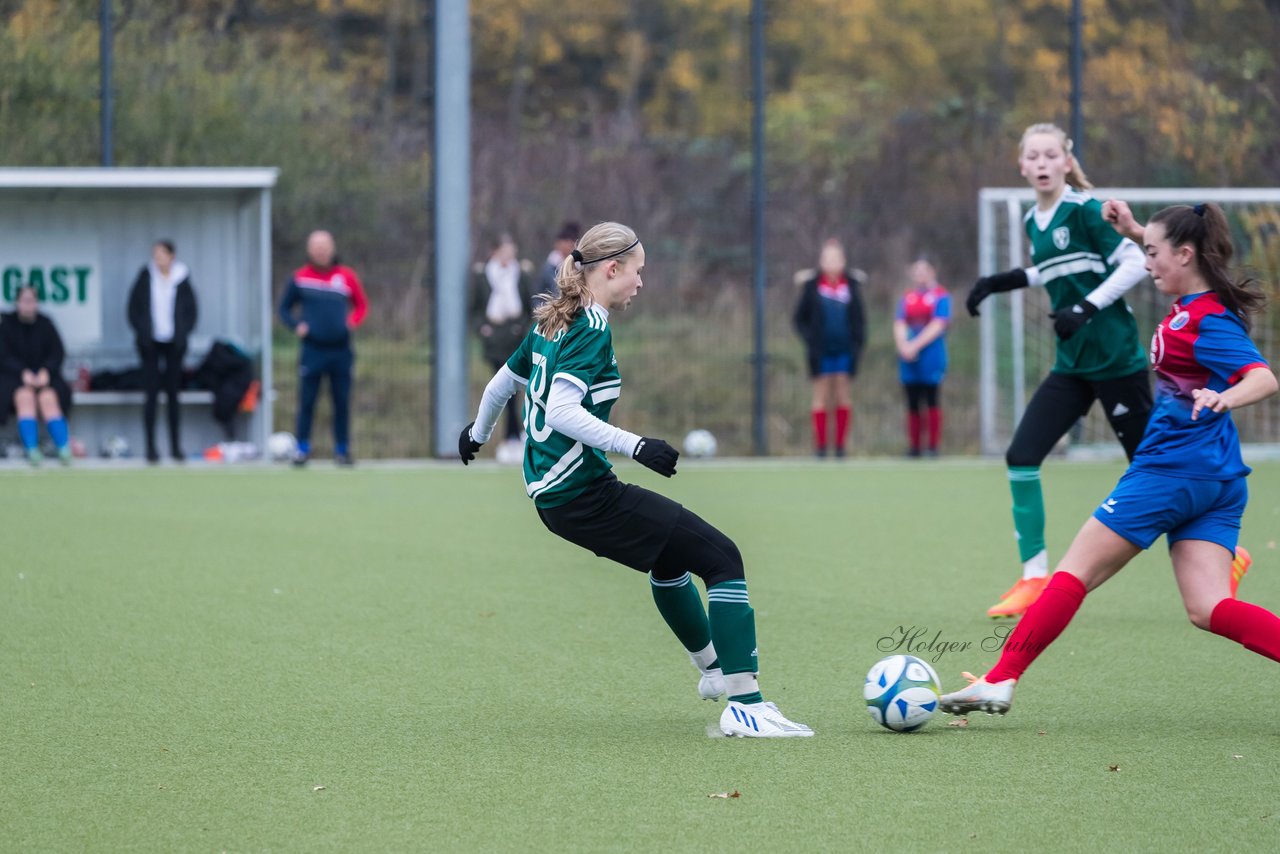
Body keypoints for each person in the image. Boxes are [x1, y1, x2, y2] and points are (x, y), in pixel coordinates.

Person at [457, 221, 812, 738]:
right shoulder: (590, 327)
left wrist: (477, 432)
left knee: (670, 560)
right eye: (638, 272)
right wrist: (636, 445)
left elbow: (500, 384)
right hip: (584, 495)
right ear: (611, 269)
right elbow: (559, 409)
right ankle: (747, 706)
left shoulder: (555, 320)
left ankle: (714, 670)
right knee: (723, 558)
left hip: (558, 501)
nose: (642, 282)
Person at [941, 201, 1278, 717]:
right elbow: (1172, 255)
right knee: (1208, 609)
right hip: (1218, 478)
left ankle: (1000, 678)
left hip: (1169, 473)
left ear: (1185, 255)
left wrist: (1224, 398)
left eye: (1153, 253)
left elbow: (1263, 377)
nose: (1146, 263)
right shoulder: (1198, 300)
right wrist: (1136, 230)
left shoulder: (1207, 320)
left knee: (1072, 575)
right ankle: (1000, 679)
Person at [966, 123, 1158, 618]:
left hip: (1117, 362)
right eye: (1035, 156)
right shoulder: (1035, 219)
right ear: (1023, 165)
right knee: (1021, 455)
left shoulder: (1087, 210)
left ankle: (1229, 554)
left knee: (1154, 472)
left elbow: (1136, 261)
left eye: (1053, 154)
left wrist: (1087, 308)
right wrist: (1000, 280)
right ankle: (1033, 578)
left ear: (1067, 161)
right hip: (1072, 367)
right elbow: (1051, 270)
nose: (1044, 162)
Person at [278, 230, 368, 466]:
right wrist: (297, 326)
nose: (321, 250)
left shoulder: (346, 276)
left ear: (332, 248)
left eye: (324, 245)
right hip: (312, 350)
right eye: (316, 246)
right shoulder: (300, 277)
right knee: (307, 402)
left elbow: (361, 305)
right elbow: (284, 309)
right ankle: (302, 449)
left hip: (341, 350)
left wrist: (352, 323)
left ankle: (342, 450)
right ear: (309, 250)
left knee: (341, 402)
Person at [793, 239, 866, 458]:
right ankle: (822, 447)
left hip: (845, 350)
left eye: (836, 258)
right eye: (827, 258)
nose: (832, 262)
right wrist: (811, 341)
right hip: (820, 351)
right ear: (820, 262)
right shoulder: (812, 286)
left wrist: (857, 344)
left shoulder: (851, 286)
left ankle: (841, 447)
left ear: (843, 261)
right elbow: (799, 319)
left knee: (843, 396)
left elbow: (860, 320)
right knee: (821, 397)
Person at [127, 240, 198, 463]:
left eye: (162, 255)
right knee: (151, 395)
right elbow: (133, 309)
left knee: (173, 395)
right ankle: (151, 448)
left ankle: (176, 447)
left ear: (171, 256)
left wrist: (181, 334)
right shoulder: (145, 277)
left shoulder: (182, 278)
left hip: (174, 346)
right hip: (150, 346)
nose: (158, 260)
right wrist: (144, 334)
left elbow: (191, 311)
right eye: (155, 255)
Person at [471, 233, 534, 454]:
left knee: (520, 389)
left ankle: (518, 436)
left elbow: (530, 306)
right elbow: (475, 308)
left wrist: (522, 328)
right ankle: (511, 438)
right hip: (495, 341)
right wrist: (483, 329)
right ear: (495, 252)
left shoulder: (522, 273)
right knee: (504, 390)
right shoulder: (483, 275)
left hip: (517, 340)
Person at [0, 285, 73, 465]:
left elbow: (57, 353)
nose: (28, 305)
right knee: (25, 398)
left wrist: (45, 372)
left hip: (45, 379)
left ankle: (64, 448)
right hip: (14, 379)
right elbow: (4, 356)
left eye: (31, 300)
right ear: (17, 302)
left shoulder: (45, 323)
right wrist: (22, 373)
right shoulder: (7, 324)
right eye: (24, 301)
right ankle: (32, 449)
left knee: (48, 398)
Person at [894, 257, 950, 457]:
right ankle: (914, 447)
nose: (920, 275)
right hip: (908, 358)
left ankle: (933, 447)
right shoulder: (907, 297)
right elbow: (899, 323)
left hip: (931, 356)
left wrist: (916, 345)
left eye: (924, 270)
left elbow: (938, 324)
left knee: (932, 399)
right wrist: (904, 346)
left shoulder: (941, 296)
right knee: (912, 401)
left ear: (932, 272)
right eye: (916, 271)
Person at [536, 221, 580, 299]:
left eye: (571, 241)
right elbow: (538, 294)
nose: (568, 245)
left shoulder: (580, 267)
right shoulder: (548, 268)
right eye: (565, 241)